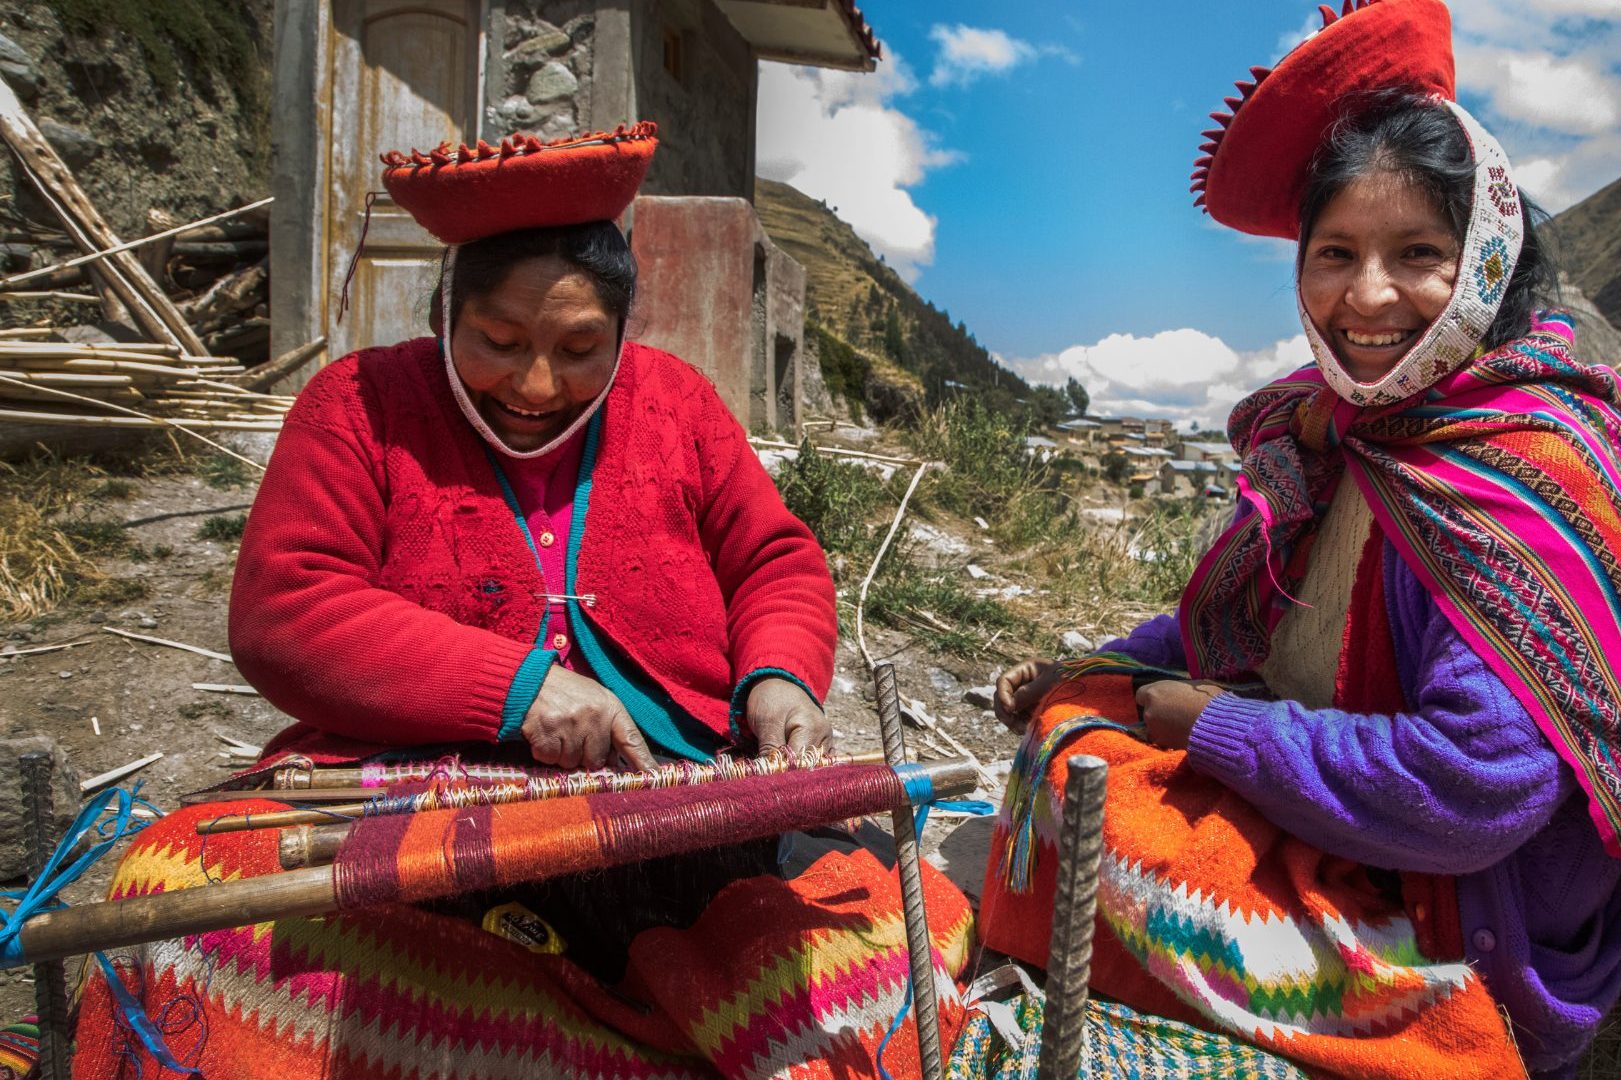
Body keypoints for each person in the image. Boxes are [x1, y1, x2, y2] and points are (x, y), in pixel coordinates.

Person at [986, 2, 1621, 1076]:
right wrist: (1113, 664)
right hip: (1396, 840)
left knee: (1105, 818)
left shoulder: (1521, 468)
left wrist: (1216, 726)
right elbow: (1261, 620)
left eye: (1418, 253)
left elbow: (1479, 785)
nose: (1367, 297)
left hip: (1483, 918)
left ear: (1485, 264)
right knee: (1075, 727)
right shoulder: (1333, 434)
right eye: (1336, 254)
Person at [69, 124, 973, 1079]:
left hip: (676, 794)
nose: (537, 386)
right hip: (414, 796)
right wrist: (520, 687)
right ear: (444, 312)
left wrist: (780, 679)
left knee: (879, 953)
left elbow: (775, 561)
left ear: (622, 335)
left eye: (581, 348)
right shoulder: (356, 406)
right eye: (499, 342)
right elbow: (286, 607)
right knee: (188, 901)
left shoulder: (676, 406)